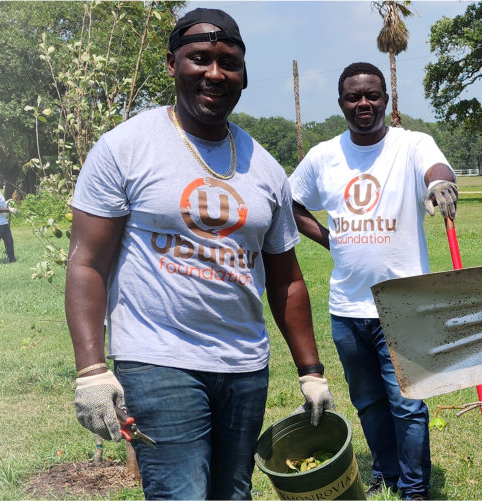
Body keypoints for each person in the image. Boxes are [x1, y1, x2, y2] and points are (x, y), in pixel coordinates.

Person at [63, 9, 333, 500]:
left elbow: (286, 277)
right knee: (181, 493)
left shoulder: (265, 168)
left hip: (245, 364)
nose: (214, 73)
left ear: (243, 75)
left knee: (233, 493)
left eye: (228, 62)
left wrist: (311, 372)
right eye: (200, 59)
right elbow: (86, 261)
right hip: (157, 359)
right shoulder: (126, 147)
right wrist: (91, 371)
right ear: (172, 63)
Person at [286, 62, 457, 501]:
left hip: (404, 302)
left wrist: (441, 185)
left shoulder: (411, 143)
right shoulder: (325, 155)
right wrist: (330, 240)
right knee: (369, 403)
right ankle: (386, 473)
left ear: (385, 99)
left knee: (408, 404)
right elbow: (291, 203)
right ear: (342, 103)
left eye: (372, 95)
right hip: (347, 308)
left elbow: (435, 168)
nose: (363, 103)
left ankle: (414, 489)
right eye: (353, 97)